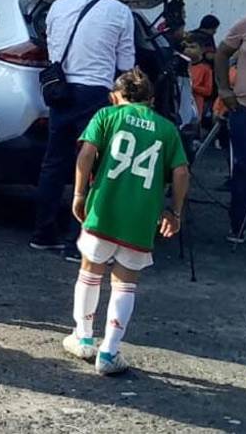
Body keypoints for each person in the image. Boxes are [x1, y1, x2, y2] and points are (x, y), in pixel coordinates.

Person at [61, 68, 188, 376]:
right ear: (152, 101)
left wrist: (79, 194)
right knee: (125, 282)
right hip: (141, 215)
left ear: (114, 96)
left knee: (90, 271)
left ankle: (84, 337)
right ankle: (109, 352)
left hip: (103, 206)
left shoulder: (107, 116)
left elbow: (87, 152)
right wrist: (175, 212)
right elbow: (182, 172)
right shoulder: (166, 129)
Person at [31, 0, 134, 252]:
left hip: (59, 90)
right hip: (95, 94)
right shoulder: (119, 11)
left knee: (53, 163)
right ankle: (79, 243)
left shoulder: (58, 6)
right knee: (92, 166)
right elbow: (126, 63)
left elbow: (51, 46)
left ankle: (42, 233)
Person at [215, 14, 246, 243]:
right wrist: (224, 89)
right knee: (243, 167)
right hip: (244, 109)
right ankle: (238, 224)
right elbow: (222, 53)